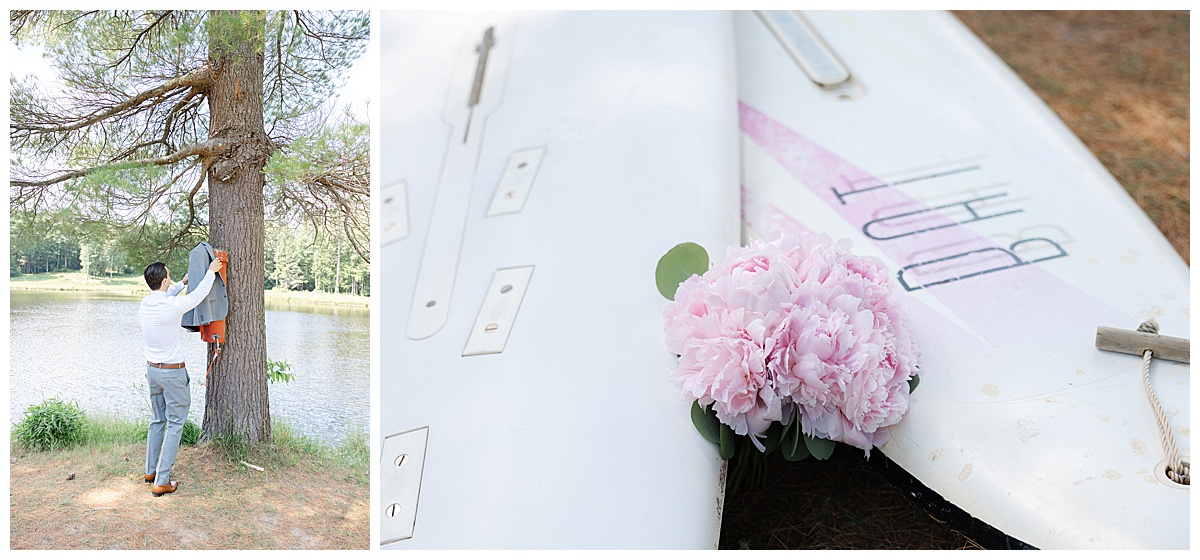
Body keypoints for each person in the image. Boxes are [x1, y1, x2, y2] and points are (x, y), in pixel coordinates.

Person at [139, 258, 222, 497]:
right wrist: (210, 272)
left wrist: (182, 283)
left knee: (158, 420)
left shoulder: (146, 304)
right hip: (172, 373)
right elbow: (198, 296)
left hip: (152, 371)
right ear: (164, 280)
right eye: (170, 277)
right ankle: (162, 481)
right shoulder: (172, 307)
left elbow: (167, 294)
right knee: (175, 423)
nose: (171, 280)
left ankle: (150, 471)